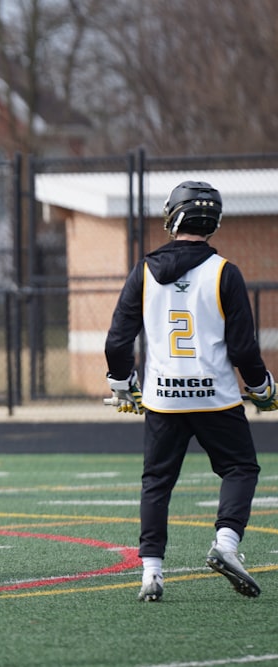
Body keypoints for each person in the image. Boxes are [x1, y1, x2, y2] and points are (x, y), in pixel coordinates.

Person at [105, 180, 274, 602]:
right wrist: (262, 387)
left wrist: (123, 384)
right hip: (215, 396)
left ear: (172, 218)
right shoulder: (225, 272)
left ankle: (151, 573)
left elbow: (116, 341)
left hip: (163, 398)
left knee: (157, 482)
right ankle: (226, 545)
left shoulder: (144, 270)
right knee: (240, 469)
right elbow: (243, 348)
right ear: (213, 221)